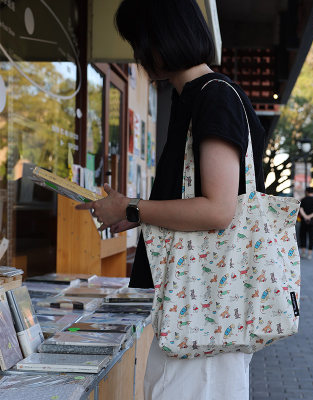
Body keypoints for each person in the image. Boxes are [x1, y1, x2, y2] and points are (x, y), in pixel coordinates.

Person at [76, 0, 267, 398]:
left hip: (207, 309)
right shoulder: (193, 98)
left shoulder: (214, 97)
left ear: (159, 41)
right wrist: (134, 214)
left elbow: (218, 208)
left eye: (138, 42)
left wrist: (132, 207)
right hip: (197, 308)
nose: (137, 55)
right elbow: (195, 201)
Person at [299, 187, 313, 260]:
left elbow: (300, 209)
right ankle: (309, 254)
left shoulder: (303, 200)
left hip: (304, 221)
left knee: (303, 236)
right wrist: (310, 217)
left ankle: (303, 253)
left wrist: (305, 217)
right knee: (311, 238)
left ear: (306, 192)